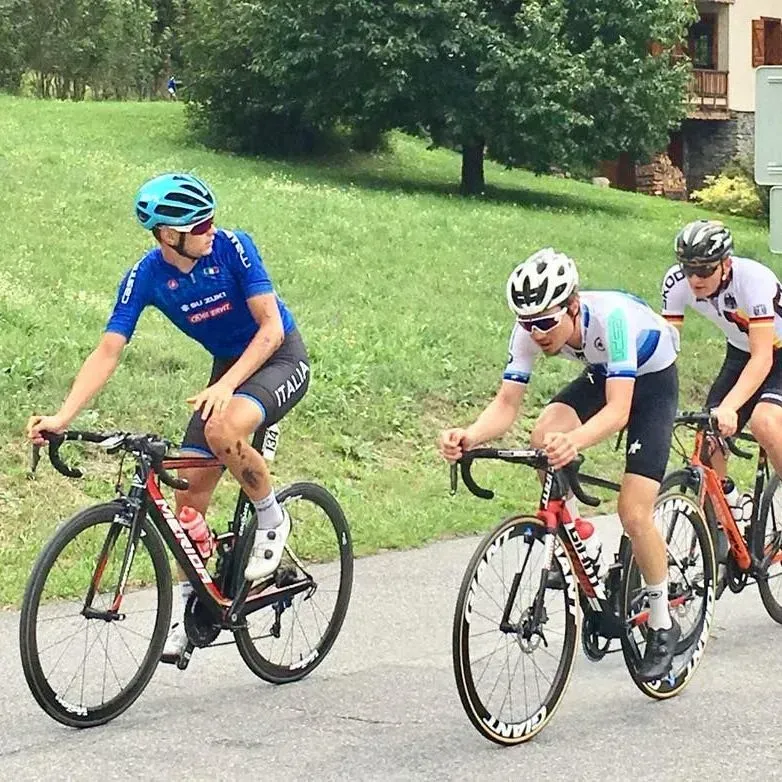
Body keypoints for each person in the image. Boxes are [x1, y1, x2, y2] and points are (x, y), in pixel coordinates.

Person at [26, 172, 310, 661]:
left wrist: (224, 386)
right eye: (199, 224)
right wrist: (63, 415)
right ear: (166, 235)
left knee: (222, 427)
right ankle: (190, 615)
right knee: (188, 506)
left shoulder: (234, 248)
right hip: (227, 370)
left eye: (211, 218)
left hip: (279, 357)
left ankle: (271, 516)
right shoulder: (148, 276)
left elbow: (269, 330)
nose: (211, 229)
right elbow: (108, 351)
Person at [438, 247, 682, 681]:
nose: (538, 334)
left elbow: (619, 409)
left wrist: (575, 442)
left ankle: (662, 621)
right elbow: (506, 404)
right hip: (605, 372)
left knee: (633, 511)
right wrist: (469, 435)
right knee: (542, 435)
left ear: (573, 306)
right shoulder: (528, 330)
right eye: (528, 324)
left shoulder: (615, 321)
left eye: (547, 323)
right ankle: (575, 528)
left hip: (651, 382)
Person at [661, 218, 782, 516]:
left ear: (725, 264)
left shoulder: (754, 280)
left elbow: (763, 357)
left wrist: (729, 406)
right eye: (688, 269)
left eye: (704, 270)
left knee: (764, 422)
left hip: (773, 352)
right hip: (741, 351)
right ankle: (728, 502)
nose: (694, 279)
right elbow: (664, 351)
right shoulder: (676, 283)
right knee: (708, 437)